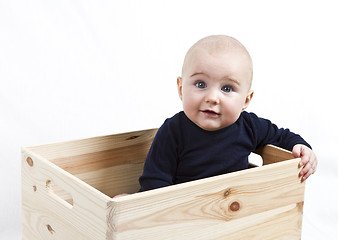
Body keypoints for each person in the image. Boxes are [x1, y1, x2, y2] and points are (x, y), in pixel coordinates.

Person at [138, 35, 317, 192]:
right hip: (185, 214)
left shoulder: (249, 126)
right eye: (201, 84)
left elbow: (281, 137)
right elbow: (155, 182)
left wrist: (301, 146)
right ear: (181, 88)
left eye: (227, 88)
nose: (213, 97)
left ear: (246, 100)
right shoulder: (173, 131)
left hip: (233, 211)